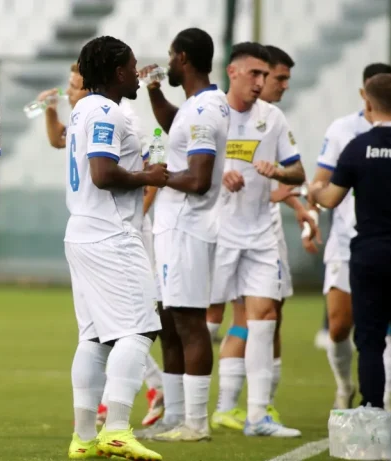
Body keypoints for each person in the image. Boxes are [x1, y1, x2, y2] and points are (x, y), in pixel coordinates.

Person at [37, 65, 166, 428]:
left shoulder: (110, 115)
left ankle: (99, 418)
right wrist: (50, 111)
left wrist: (136, 219)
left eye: (73, 85)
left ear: (89, 84)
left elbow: (150, 170)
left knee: (112, 330)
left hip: (113, 231)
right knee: (123, 327)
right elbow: (64, 144)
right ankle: (126, 410)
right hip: (105, 232)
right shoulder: (93, 114)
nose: (69, 92)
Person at [64, 35, 167, 461]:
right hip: (110, 233)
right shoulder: (107, 111)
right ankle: (118, 429)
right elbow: (103, 174)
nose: (137, 74)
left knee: (94, 337)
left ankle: (84, 437)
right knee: (140, 328)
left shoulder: (81, 109)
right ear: (117, 71)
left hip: (82, 231)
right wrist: (148, 177)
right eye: (132, 66)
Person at [206, 44, 319, 430]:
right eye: (256, 74)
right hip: (217, 232)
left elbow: (298, 172)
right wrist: (218, 175)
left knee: (265, 316)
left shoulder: (272, 118)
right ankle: (188, 407)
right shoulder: (209, 112)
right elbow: (182, 165)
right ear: (233, 72)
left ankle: (257, 414)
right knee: (208, 317)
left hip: (260, 235)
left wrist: (278, 172)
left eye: (265, 75)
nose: (263, 82)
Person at [136, 27, 229, 443]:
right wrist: (154, 91)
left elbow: (199, 179)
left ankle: (196, 422)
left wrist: (159, 176)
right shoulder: (196, 106)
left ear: (184, 59)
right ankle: (174, 417)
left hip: (188, 228)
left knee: (190, 322)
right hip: (173, 228)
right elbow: (176, 127)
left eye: (172, 56)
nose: (168, 62)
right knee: (170, 323)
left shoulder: (205, 110)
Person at [308, 63, 391, 410]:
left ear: (368, 99)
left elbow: (327, 194)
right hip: (352, 244)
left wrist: (314, 194)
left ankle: (377, 407)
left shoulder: (360, 146)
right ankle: (347, 388)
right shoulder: (344, 131)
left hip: (368, 249)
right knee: (341, 325)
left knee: (371, 336)